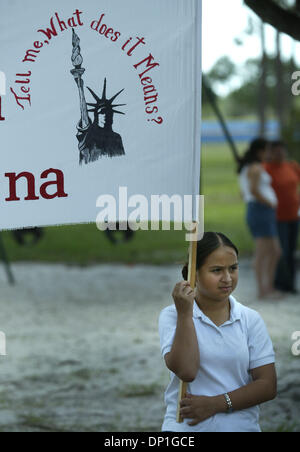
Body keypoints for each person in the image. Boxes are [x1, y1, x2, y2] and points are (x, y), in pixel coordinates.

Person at [158, 232, 277, 433]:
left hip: (241, 427)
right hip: (186, 429)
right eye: (216, 270)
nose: (227, 278)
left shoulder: (250, 319)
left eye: (233, 268)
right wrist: (186, 314)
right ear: (193, 274)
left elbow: (267, 385)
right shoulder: (173, 315)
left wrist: (216, 404)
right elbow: (187, 371)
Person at [238, 138, 282, 299]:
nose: (269, 154)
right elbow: (253, 191)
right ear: (260, 151)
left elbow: (244, 192)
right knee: (263, 252)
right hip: (260, 210)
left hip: (262, 211)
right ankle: (263, 290)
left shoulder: (250, 168)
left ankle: (267, 287)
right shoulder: (255, 168)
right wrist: (269, 202)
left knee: (275, 251)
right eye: (267, 150)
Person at [264, 140, 300, 294]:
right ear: (270, 153)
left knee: (291, 250)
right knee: (281, 251)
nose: (279, 154)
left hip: (294, 215)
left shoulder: (292, 166)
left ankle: (290, 283)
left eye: (281, 151)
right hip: (277, 217)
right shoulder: (265, 169)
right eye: (276, 151)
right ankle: (280, 283)